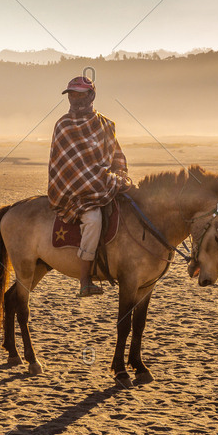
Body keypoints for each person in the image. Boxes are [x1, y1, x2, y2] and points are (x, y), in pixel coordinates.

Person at [48, 76, 129, 297]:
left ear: (91, 96)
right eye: (72, 94)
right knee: (93, 221)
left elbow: (117, 156)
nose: (75, 99)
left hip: (106, 184)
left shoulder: (106, 125)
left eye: (80, 94)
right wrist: (92, 181)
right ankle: (85, 280)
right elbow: (62, 164)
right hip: (76, 193)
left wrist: (119, 176)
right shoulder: (63, 125)